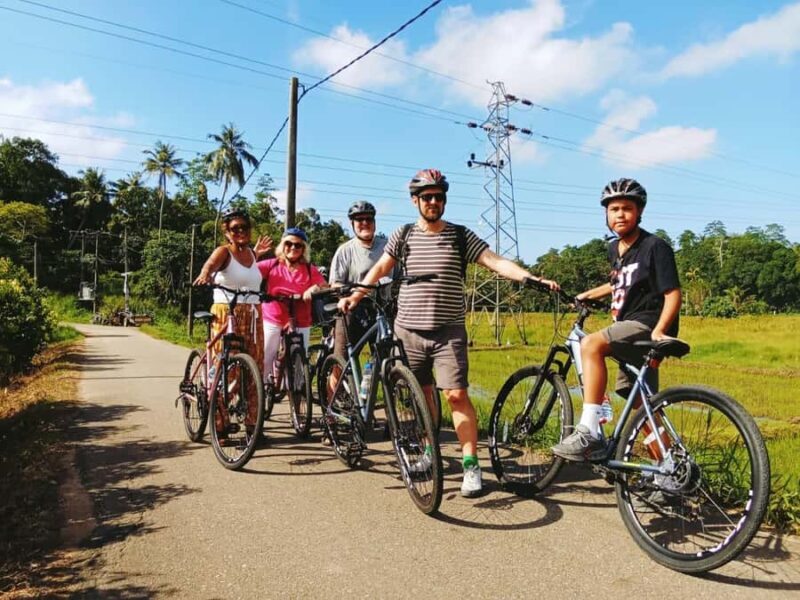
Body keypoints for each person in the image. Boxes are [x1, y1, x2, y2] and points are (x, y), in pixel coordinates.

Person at [338, 169, 559, 497]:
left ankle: (471, 465)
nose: (433, 202)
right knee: (422, 396)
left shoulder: (459, 235)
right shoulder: (403, 235)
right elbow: (381, 268)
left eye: (438, 196)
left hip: (448, 331)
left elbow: (494, 261)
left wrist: (530, 278)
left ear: (444, 200)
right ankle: (429, 453)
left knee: (456, 395)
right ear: (416, 201)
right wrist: (355, 296)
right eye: (426, 197)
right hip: (409, 329)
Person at [551, 178, 682, 462]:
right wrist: (588, 293)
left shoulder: (654, 246)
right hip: (629, 327)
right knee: (642, 405)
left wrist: (660, 330)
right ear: (606, 214)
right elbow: (619, 282)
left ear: (640, 212)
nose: (620, 214)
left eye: (627, 208)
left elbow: (673, 294)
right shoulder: (615, 249)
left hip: (645, 324)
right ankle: (670, 470)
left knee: (591, 345)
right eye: (613, 209)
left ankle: (589, 432)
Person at [193, 209, 268, 436]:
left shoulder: (252, 256)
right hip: (226, 312)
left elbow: (248, 273)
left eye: (245, 227)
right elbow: (210, 266)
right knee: (225, 369)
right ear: (227, 232)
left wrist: (257, 253)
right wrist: (205, 275)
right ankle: (220, 425)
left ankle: (253, 427)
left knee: (255, 369)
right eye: (235, 228)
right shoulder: (223, 251)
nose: (241, 232)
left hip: (254, 314)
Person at [255, 227, 327, 385]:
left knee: (299, 363)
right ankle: (258, 396)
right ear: (282, 246)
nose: (293, 247)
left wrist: (314, 288)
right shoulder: (272, 264)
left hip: (301, 319)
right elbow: (248, 272)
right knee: (266, 357)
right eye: (289, 243)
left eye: (298, 245)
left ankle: (297, 399)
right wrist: (255, 254)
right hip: (274, 317)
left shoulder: (309, 269)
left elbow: (325, 285)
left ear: (303, 249)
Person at [329, 201, 395, 361]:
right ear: (352, 224)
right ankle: (334, 385)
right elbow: (335, 283)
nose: (365, 223)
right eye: (359, 220)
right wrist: (344, 296)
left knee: (388, 359)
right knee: (342, 361)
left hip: (383, 307)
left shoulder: (388, 247)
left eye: (369, 219)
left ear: (374, 222)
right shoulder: (345, 250)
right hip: (353, 309)